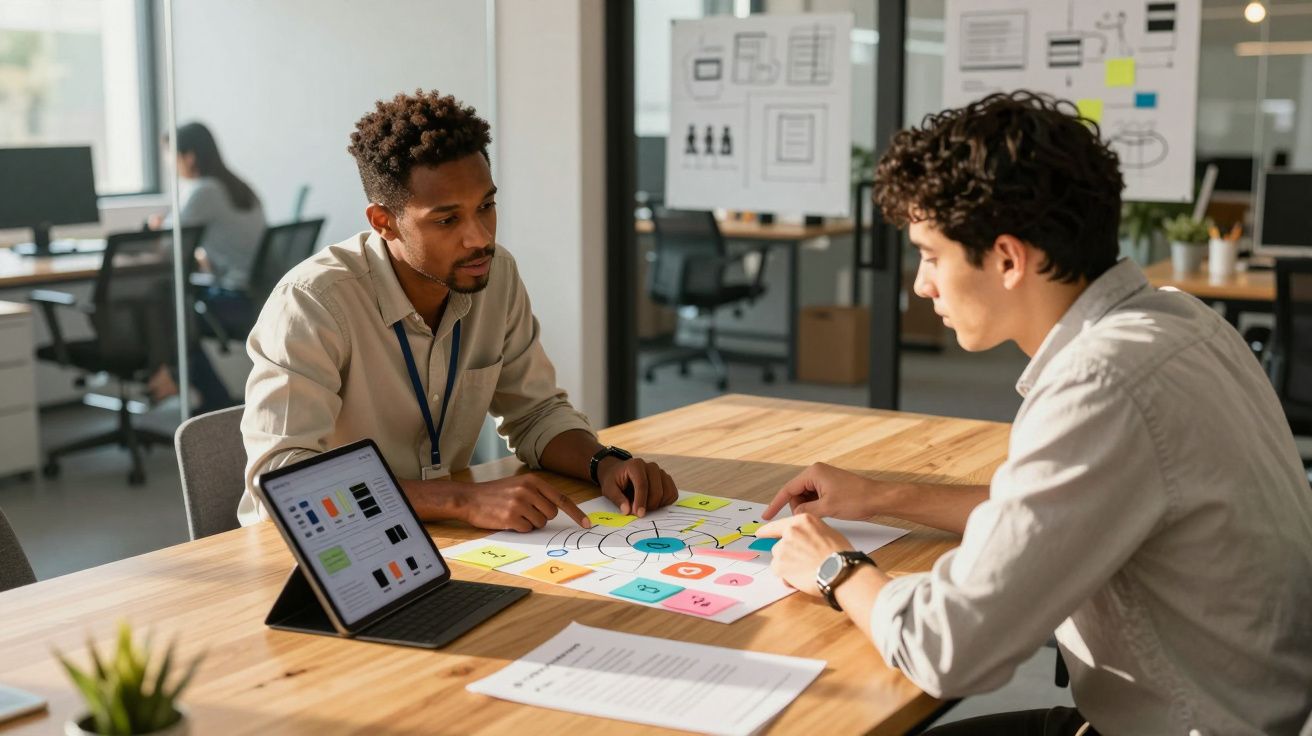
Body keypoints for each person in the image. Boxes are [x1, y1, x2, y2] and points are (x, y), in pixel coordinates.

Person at [756, 91, 1312, 735]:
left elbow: (948, 649)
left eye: (931, 255)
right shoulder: (1179, 318)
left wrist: (833, 566)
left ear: (1008, 258)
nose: (920, 284)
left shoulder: (1101, 383)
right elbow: (1055, 513)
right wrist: (882, 495)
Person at [238, 89, 679, 531]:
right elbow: (283, 481)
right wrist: (460, 500)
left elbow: (536, 412)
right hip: (323, 550)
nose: (480, 237)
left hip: (438, 537)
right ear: (383, 221)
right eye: (448, 220)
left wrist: (602, 463)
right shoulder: (313, 301)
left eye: (486, 206)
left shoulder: (495, 273)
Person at [148, 121, 266, 413]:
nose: (168, 163)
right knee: (177, 313)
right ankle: (184, 384)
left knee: (174, 319)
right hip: (255, 295)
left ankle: (207, 398)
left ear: (188, 157)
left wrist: (156, 229)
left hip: (233, 300)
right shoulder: (238, 186)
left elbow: (167, 248)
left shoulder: (205, 191)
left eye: (169, 155)